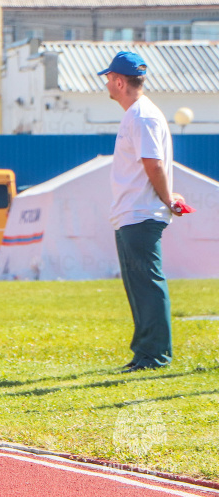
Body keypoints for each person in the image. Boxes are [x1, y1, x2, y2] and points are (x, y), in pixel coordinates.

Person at [99, 51, 183, 373]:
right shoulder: (137, 114)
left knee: (147, 284)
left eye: (108, 78)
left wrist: (167, 199)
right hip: (132, 213)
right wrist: (167, 196)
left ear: (119, 81)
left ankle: (155, 355)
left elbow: (153, 163)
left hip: (140, 213)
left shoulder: (141, 116)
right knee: (139, 285)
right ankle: (145, 352)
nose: (107, 84)